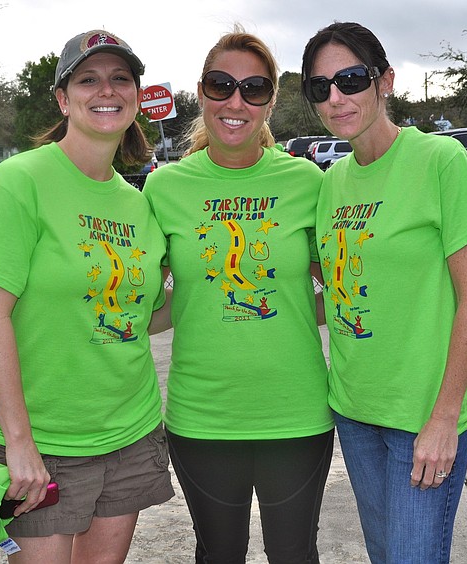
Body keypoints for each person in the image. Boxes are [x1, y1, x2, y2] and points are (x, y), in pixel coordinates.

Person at [0, 29, 174, 563]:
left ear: (137, 96)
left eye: (121, 78)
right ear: (62, 97)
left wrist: (212, 290)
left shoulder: (137, 203)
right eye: (88, 79)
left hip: (131, 431)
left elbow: (139, 318)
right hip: (46, 440)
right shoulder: (20, 182)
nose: (107, 90)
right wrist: (19, 442)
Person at [301, 22, 467, 564]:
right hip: (355, 410)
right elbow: (338, 288)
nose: (336, 97)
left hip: (422, 415)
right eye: (321, 88)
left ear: (385, 81)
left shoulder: (439, 161)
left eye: (351, 79)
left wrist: (443, 418)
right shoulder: (330, 183)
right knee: (385, 554)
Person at [142, 27, 334, 564]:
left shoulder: (306, 181)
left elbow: (340, 288)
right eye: (221, 84)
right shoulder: (165, 187)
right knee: (218, 554)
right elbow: (147, 302)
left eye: (253, 89)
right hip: (203, 416)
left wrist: (287, 311)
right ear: (200, 92)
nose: (235, 101)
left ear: (271, 101)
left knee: (295, 554)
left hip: (296, 413)